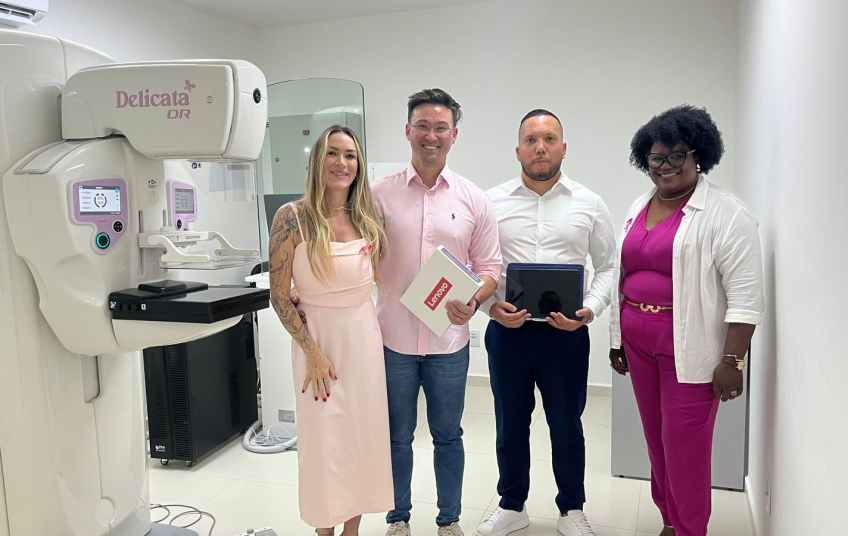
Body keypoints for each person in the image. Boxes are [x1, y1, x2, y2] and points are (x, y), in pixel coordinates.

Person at [608, 105, 764, 536]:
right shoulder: (640, 204)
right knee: (657, 442)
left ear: (699, 156)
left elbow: (746, 297)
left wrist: (732, 361)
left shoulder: (727, 213)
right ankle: (669, 521)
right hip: (638, 343)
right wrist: (617, 340)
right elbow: (624, 276)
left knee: (685, 449)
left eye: (677, 155)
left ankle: (690, 528)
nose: (666, 166)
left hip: (690, 347)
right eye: (656, 157)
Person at [476, 109, 616, 536]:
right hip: (508, 334)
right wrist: (489, 307)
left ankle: (571, 509)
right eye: (531, 140)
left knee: (567, 425)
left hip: (565, 336)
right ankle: (511, 504)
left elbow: (609, 266)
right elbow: (476, 265)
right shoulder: (490, 202)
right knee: (510, 424)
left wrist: (589, 309)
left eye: (549, 139)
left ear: (563, 148)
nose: (540, 147)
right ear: (518, 149)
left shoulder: (589, 203)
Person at [371, 88, 502, 536]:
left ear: (454, 135)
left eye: (441, 127)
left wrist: (475, 299)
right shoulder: (377, 195)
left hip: (449, 343)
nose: (431, 135)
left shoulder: (474, 199)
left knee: (448, 436)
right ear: (408, 131)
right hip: (392, 340)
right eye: (423, 126)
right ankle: (398, 518)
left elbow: (490, 267)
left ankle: (449, 521)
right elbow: (356, 256)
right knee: (396, 437)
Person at [268, 125, 393, 536]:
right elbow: (279, 296)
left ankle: (352, 530)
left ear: (359, 165)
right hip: (316, 347)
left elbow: (369, 281)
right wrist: (313, 353)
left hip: (362, 341)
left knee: (361, 438)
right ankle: (324, 530)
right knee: (323, 444)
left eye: (350, 155)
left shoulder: (368, 219)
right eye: (333, 153)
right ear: (317, 161)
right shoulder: (292, 218)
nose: (342, 163)